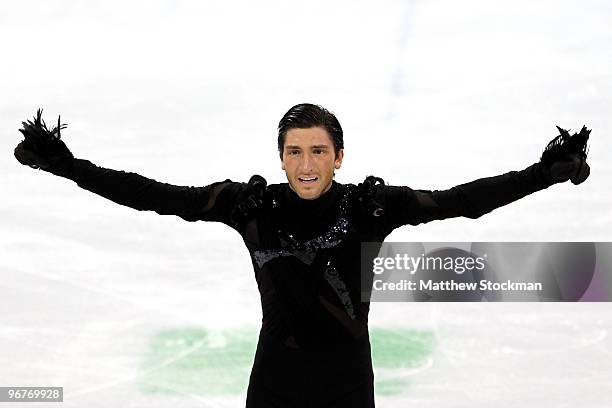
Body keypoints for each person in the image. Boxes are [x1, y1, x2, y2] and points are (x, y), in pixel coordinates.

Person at [14, 103, 591, 407]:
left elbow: (462, 203)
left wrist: (542, 175)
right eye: (295, 152)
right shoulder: (251, 208)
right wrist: (67, 165)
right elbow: (153, 197)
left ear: (339, 157)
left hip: (347, 389)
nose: (307, 164)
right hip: (274, 387)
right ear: (281, 157)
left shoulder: (371, 208)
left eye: (319, 151)